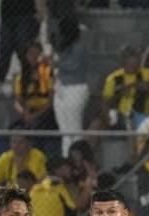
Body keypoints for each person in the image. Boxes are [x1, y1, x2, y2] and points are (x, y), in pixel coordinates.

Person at [51, 15, 88, 155]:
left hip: (75, 88)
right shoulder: (62, 47)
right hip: (61, 88)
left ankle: (79, 161)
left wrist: (55, 63)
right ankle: (66, 158)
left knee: (74, 129)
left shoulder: (80, 47)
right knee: (65, 131)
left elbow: (72, 66)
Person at [98, 45, 149, 131]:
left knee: (131, 123)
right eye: (128, 64)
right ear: (122, 62)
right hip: (121, 115)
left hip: (143, 116)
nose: (131, 66)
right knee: (97, 124)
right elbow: (105, 102)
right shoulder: (113, 77)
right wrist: (118, 94)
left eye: (134, 64)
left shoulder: (147, 73)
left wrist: (132, 85)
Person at [13, 41, 58, 133]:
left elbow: (51, 101)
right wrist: (25, 113)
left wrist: (36, 115)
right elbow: (17, 102)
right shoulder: (21, 77)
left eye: (37, 53)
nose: (34, 57)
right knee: (14, 126)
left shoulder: (47, 73)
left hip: (44, 112)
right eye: (31, 53)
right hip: (28, 111)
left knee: (39, 125)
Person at [0, 0, 41, 84]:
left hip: (25, 14)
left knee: (23, 49)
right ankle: (0, 81)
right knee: (5, 49)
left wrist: (40, 12)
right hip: (7, 15)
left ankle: (28, 81)